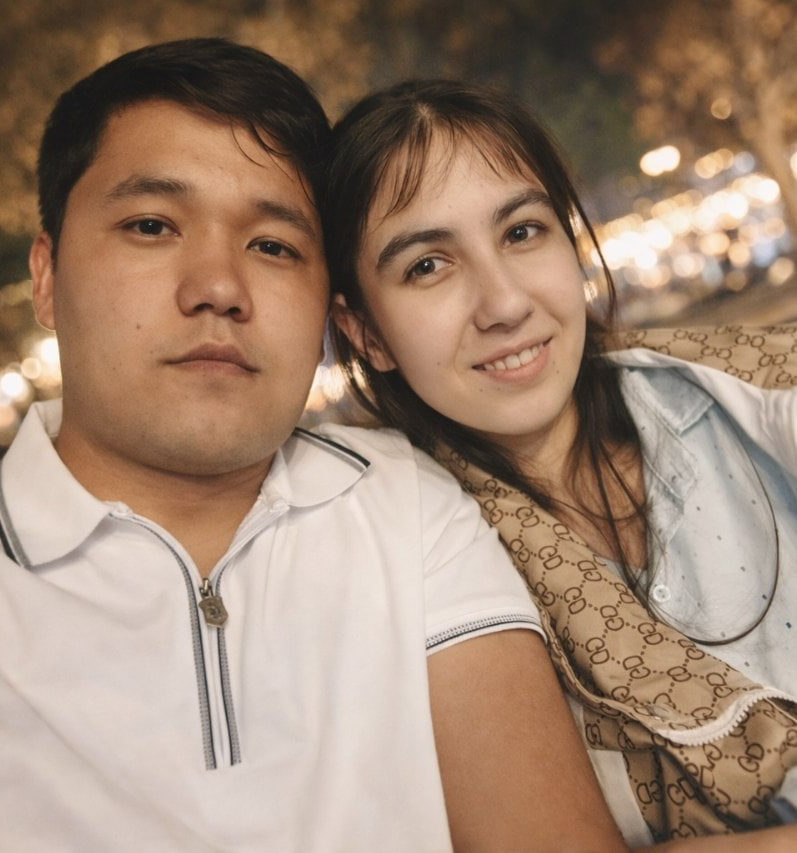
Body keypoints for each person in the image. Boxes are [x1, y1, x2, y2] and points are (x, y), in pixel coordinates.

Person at [0, 40, 634, 852]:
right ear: (46, 276)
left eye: (272, 245)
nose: (217, 287)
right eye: (151, 225)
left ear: (328, 310)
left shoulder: (406, 503)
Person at [325, 79, 797, 846]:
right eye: (427, 265)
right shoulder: (423, 581)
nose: (504, 303)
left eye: (521, 232)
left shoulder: (754, 399)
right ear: (365, 333)